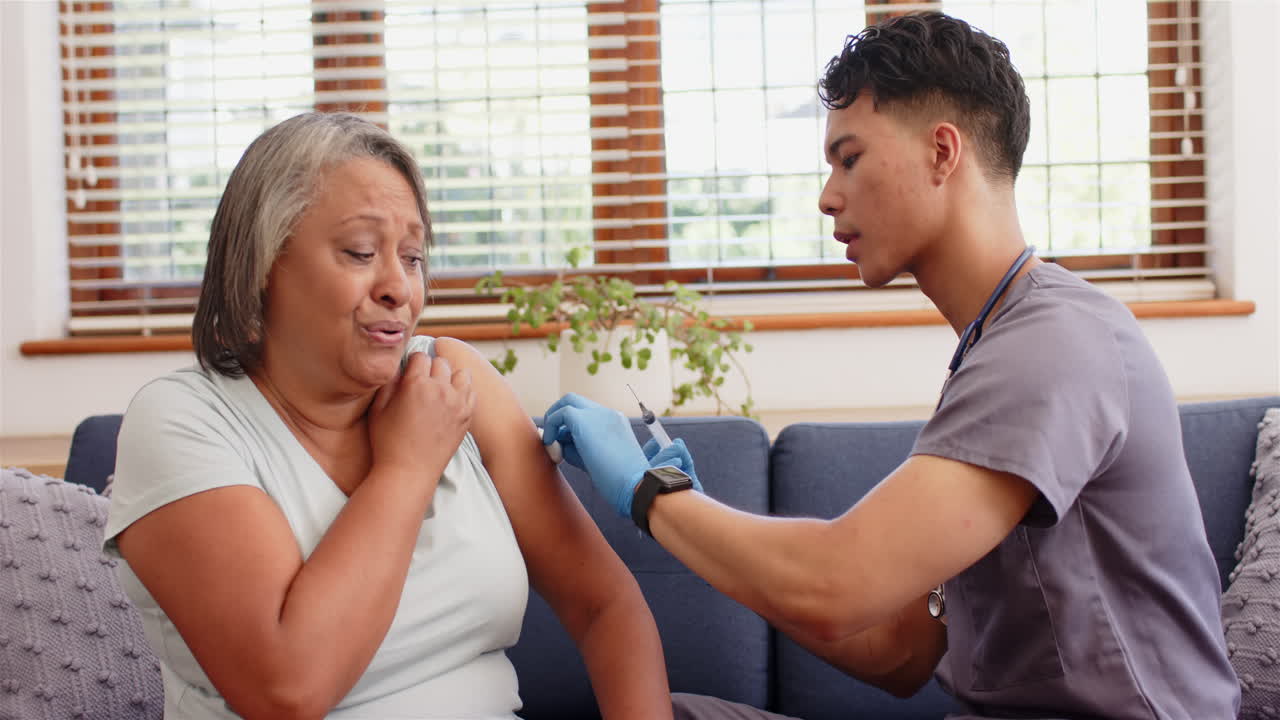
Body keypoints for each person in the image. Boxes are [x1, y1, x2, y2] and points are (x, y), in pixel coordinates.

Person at [542, 12, 1240, 720]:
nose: (827, 196)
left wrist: (652, 494)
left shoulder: (1053, 344)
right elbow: (898, 652)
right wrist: (693, 521)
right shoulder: (994, 350)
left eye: (849, 159)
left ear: (942, 152)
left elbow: (836, 585)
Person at [103, 112, 673, 720]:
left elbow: (605, 606)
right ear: (262, 264)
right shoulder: (184, 421)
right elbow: (286, 690)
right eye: (360, 252)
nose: (398, 288)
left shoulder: (455, 379)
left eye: (413, 258)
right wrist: (407, 468)